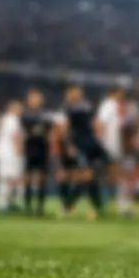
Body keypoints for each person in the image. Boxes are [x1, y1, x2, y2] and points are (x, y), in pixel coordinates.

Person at [56, 84, 107, 220]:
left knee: (90, 175)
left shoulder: (85, 106)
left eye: (78, 92)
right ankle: (91, 206)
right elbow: (64, 129)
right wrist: (69, 145)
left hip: (89, 144)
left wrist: (98, 138)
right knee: (84, 176)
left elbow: (95, 123)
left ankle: (75, 206)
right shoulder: (67, 108)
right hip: (78, 145)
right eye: (74, 92)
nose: (77, 94)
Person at [96, 85, 138, 217]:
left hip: (125, 147)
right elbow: (100, 124)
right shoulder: (107, 105)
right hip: (111, 147)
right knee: (109, 176)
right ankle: (106, 205)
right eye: (120, 93)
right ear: (113, 93)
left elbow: (132, 126)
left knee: (126, 177)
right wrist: (101, 143)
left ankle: (125, 206)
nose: (122, 95)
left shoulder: (127, 107)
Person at [20, 88, 53, 216]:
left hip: (43, 147)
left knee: (42, 178)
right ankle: (28, 207)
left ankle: (40, 208)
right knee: (28, 177)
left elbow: (48, 131)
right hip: (30, 147)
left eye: (37, 98)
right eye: (32, 98)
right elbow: (28, 131)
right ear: (28, 100)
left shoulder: (46, 114)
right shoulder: (25, 114)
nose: (35, 100)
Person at [0, 99, 24, 212]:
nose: (21, 111)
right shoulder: (13, 120)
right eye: (19, 108)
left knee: (5, 179)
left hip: (2, 152)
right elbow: (16, 136)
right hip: (11, 153)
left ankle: (5, 203)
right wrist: (19, 151)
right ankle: (5, 204)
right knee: (11, 179)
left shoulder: (4, 119)